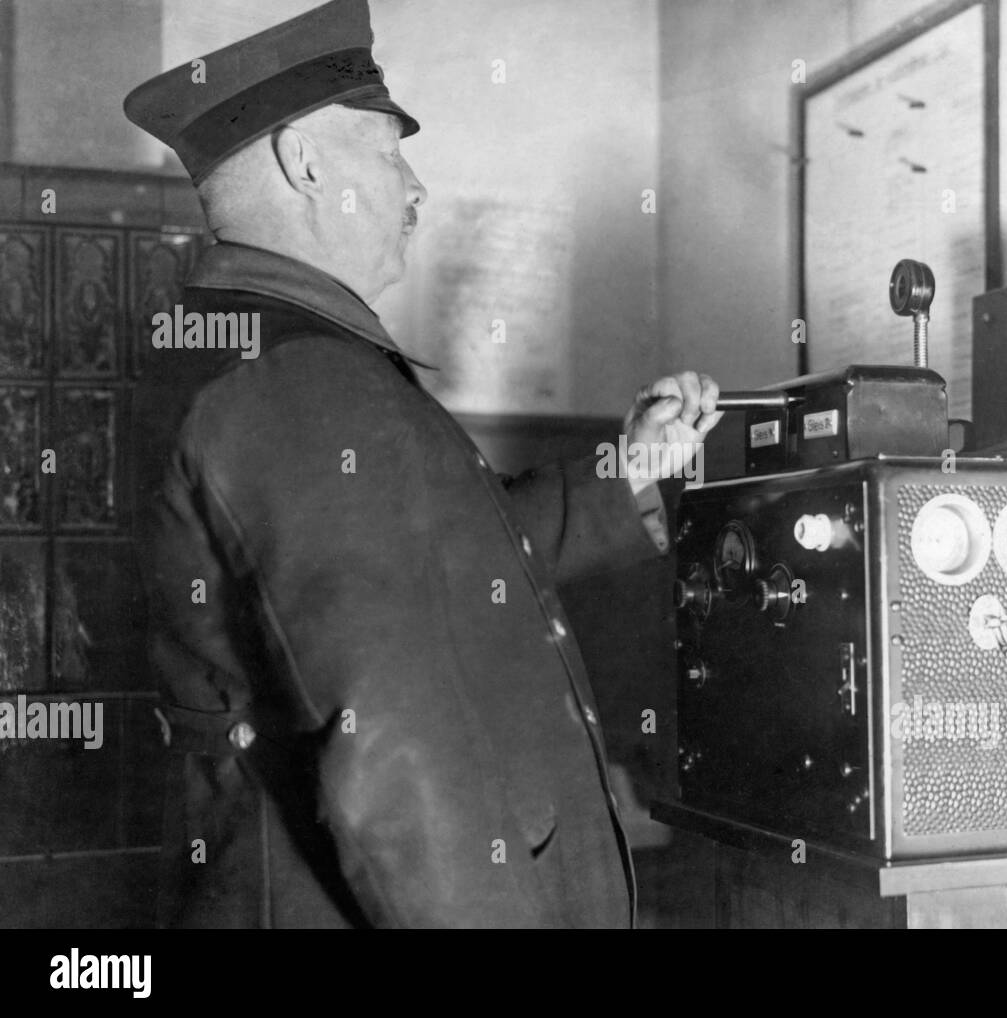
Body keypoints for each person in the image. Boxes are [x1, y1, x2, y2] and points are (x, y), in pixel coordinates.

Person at [124, 0, 720, 928]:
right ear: (307, 161)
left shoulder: (256, 352)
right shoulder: (301, 380)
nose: (415, 189)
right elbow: (394, 751)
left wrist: (628, 469)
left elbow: (433, 571)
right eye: (388, 150)